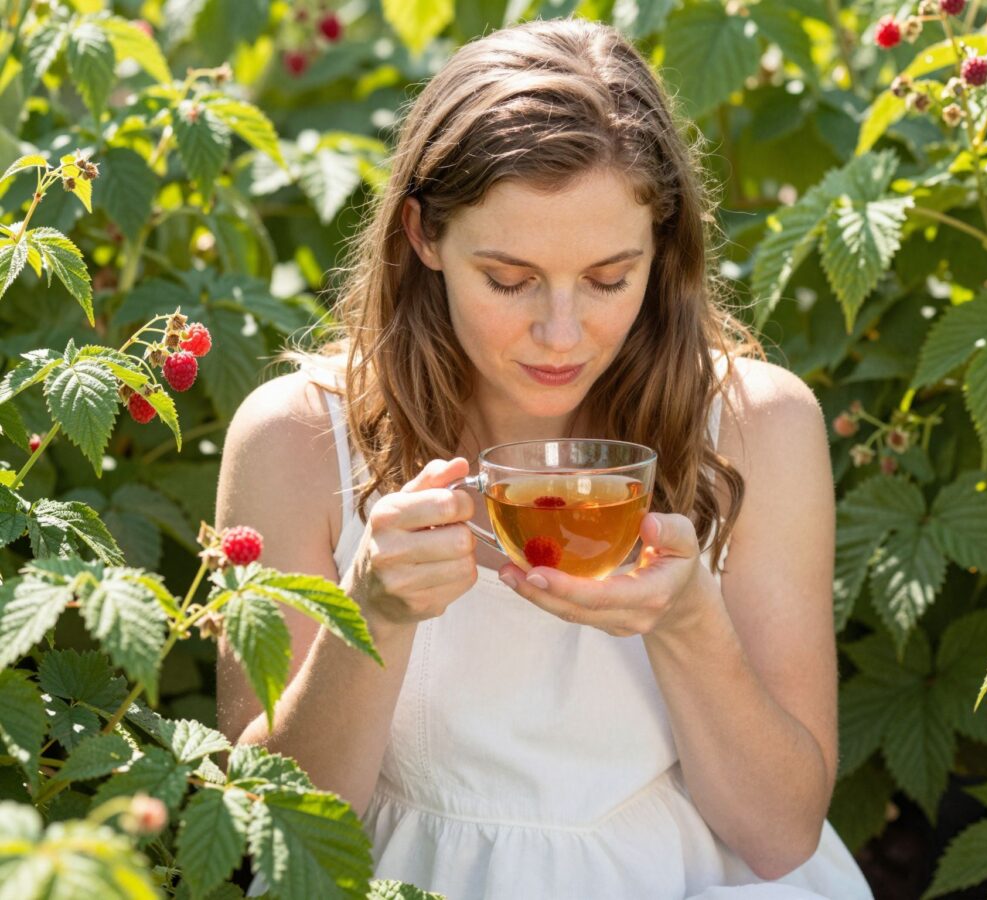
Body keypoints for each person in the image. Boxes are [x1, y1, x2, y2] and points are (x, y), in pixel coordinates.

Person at [215, 16, 873, 900]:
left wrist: (687, 625)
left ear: (662, 250)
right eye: (510, 279)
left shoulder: (757, 426)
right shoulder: (296, 439)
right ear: (423, 236)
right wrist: (372, 612)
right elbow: (272, 826)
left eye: (610, 279)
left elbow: (781, 834)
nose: (562, 333)